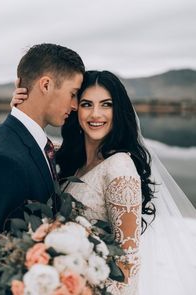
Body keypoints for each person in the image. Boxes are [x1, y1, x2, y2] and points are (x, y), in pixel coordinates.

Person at [12, 70, 196, 295]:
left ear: (118, 111)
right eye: (87, 104)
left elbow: (128, 266)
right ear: (75, 108)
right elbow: (33, 144)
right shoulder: (71, 158)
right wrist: (22, 112)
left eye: (106, 104)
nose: (95, 114)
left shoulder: (120, 168)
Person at [0, 43, 84, 295]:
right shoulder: (3, 161)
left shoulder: (30, 142)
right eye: (73, 93)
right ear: (46, 84)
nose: (74, 105)